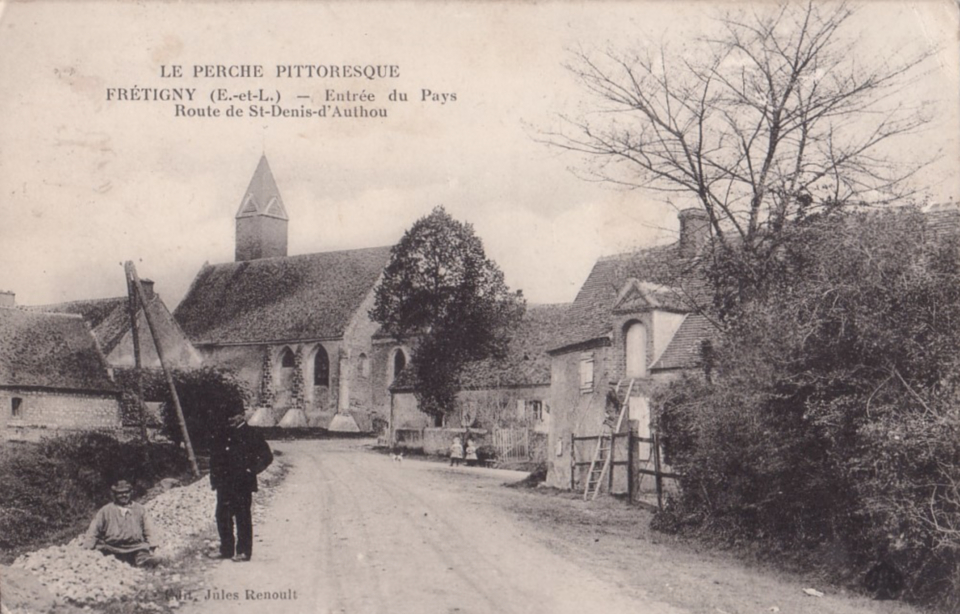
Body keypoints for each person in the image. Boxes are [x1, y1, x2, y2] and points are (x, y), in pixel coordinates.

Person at [208, 410, 273, 562]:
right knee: (222, 516)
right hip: (224, 483)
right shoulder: (223, 434)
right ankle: (226, 550)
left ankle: (244, 551)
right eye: (229, 416)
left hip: (242, 484)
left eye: (234, 415)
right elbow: (215, 458)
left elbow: (267, 456)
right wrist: (215, 479)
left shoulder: (252, 434)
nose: (231, 419)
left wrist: (252, 470)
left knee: (242, 517)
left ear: (242, 415)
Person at [80, 480, 158, 567]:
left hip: (135, 546)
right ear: (115, 495)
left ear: (130, 493)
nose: (124, 495)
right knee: (104, 558)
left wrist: (152, 545)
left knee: (143, 555)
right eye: (120, 493)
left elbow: (149, 528)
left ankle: (143, 561)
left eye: (126, 492)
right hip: (112, 547)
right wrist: (87, 547)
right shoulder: (105, 510)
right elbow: (94, 529)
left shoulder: (140, 509)